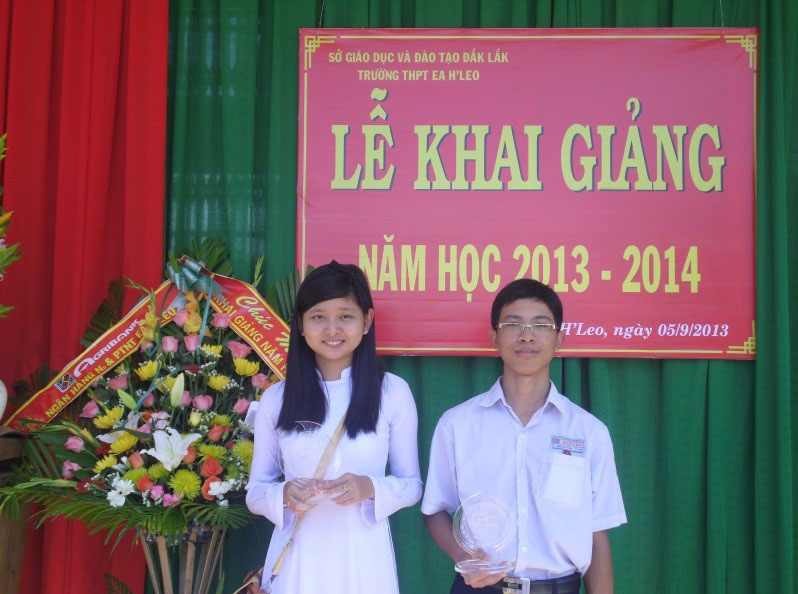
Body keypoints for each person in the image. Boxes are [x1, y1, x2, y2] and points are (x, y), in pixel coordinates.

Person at [422, 279, 626, 594]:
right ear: (494, 337)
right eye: (513, 324)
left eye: (540, 325)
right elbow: (435, 509)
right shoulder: (457, 424)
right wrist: (464, 556)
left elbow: (597, 534)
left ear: (559, 339)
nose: (527, 335)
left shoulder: (588, 432)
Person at [245, 261, 422, 593]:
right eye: (318, 317)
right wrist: (283, 494)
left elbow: (411, 486)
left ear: (366, 321)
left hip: (364, 562)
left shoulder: (392, 392)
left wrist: (369, 487)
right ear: (300, 324)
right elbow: (255, 492)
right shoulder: (276, 398)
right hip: (297, 562)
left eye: (345, 316)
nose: (331, 330)